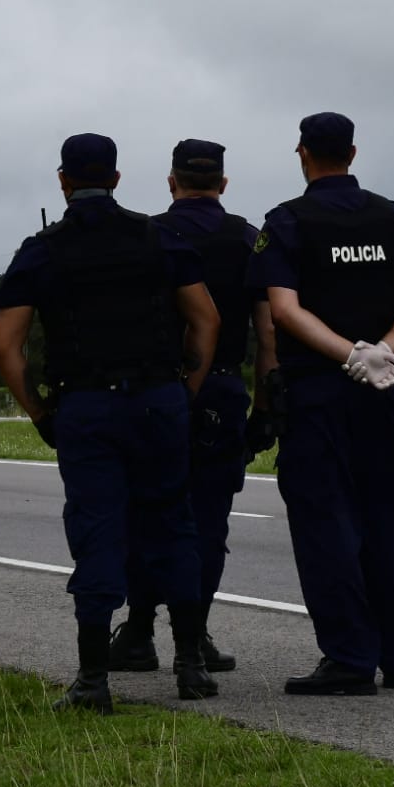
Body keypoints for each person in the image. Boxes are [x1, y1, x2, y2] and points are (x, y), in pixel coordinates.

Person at [0, 133, 222, 713]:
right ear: (118, 178)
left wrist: (40, 411)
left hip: (86, 405)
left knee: (97, 529)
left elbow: (5, 349)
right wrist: (183, 391)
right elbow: (206, 321)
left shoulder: (41, 250)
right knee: (174, 524)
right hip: (158, 399)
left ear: (63, 180)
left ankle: (94, 679)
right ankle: (190, 665)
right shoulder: (158, 237)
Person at [248, 112, 394, 696]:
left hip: (318, 396)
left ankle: (351, 658)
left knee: (327, 522)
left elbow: (283, 309)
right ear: (352, 153)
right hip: (380, 393)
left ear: (302, 153)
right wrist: (381, 353)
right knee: (387, 519)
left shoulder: (287, 222)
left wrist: (345, 354)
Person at [108, 139, 278, 676]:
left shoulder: (148, 235)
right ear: (223, 185)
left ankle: (138, 630)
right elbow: (268, 335)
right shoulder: (250, 240)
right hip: (222, 393)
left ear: (171, 181)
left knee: (147, 512)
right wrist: (265, 411)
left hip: (155, 392)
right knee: (207, 522)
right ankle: (195, 631)